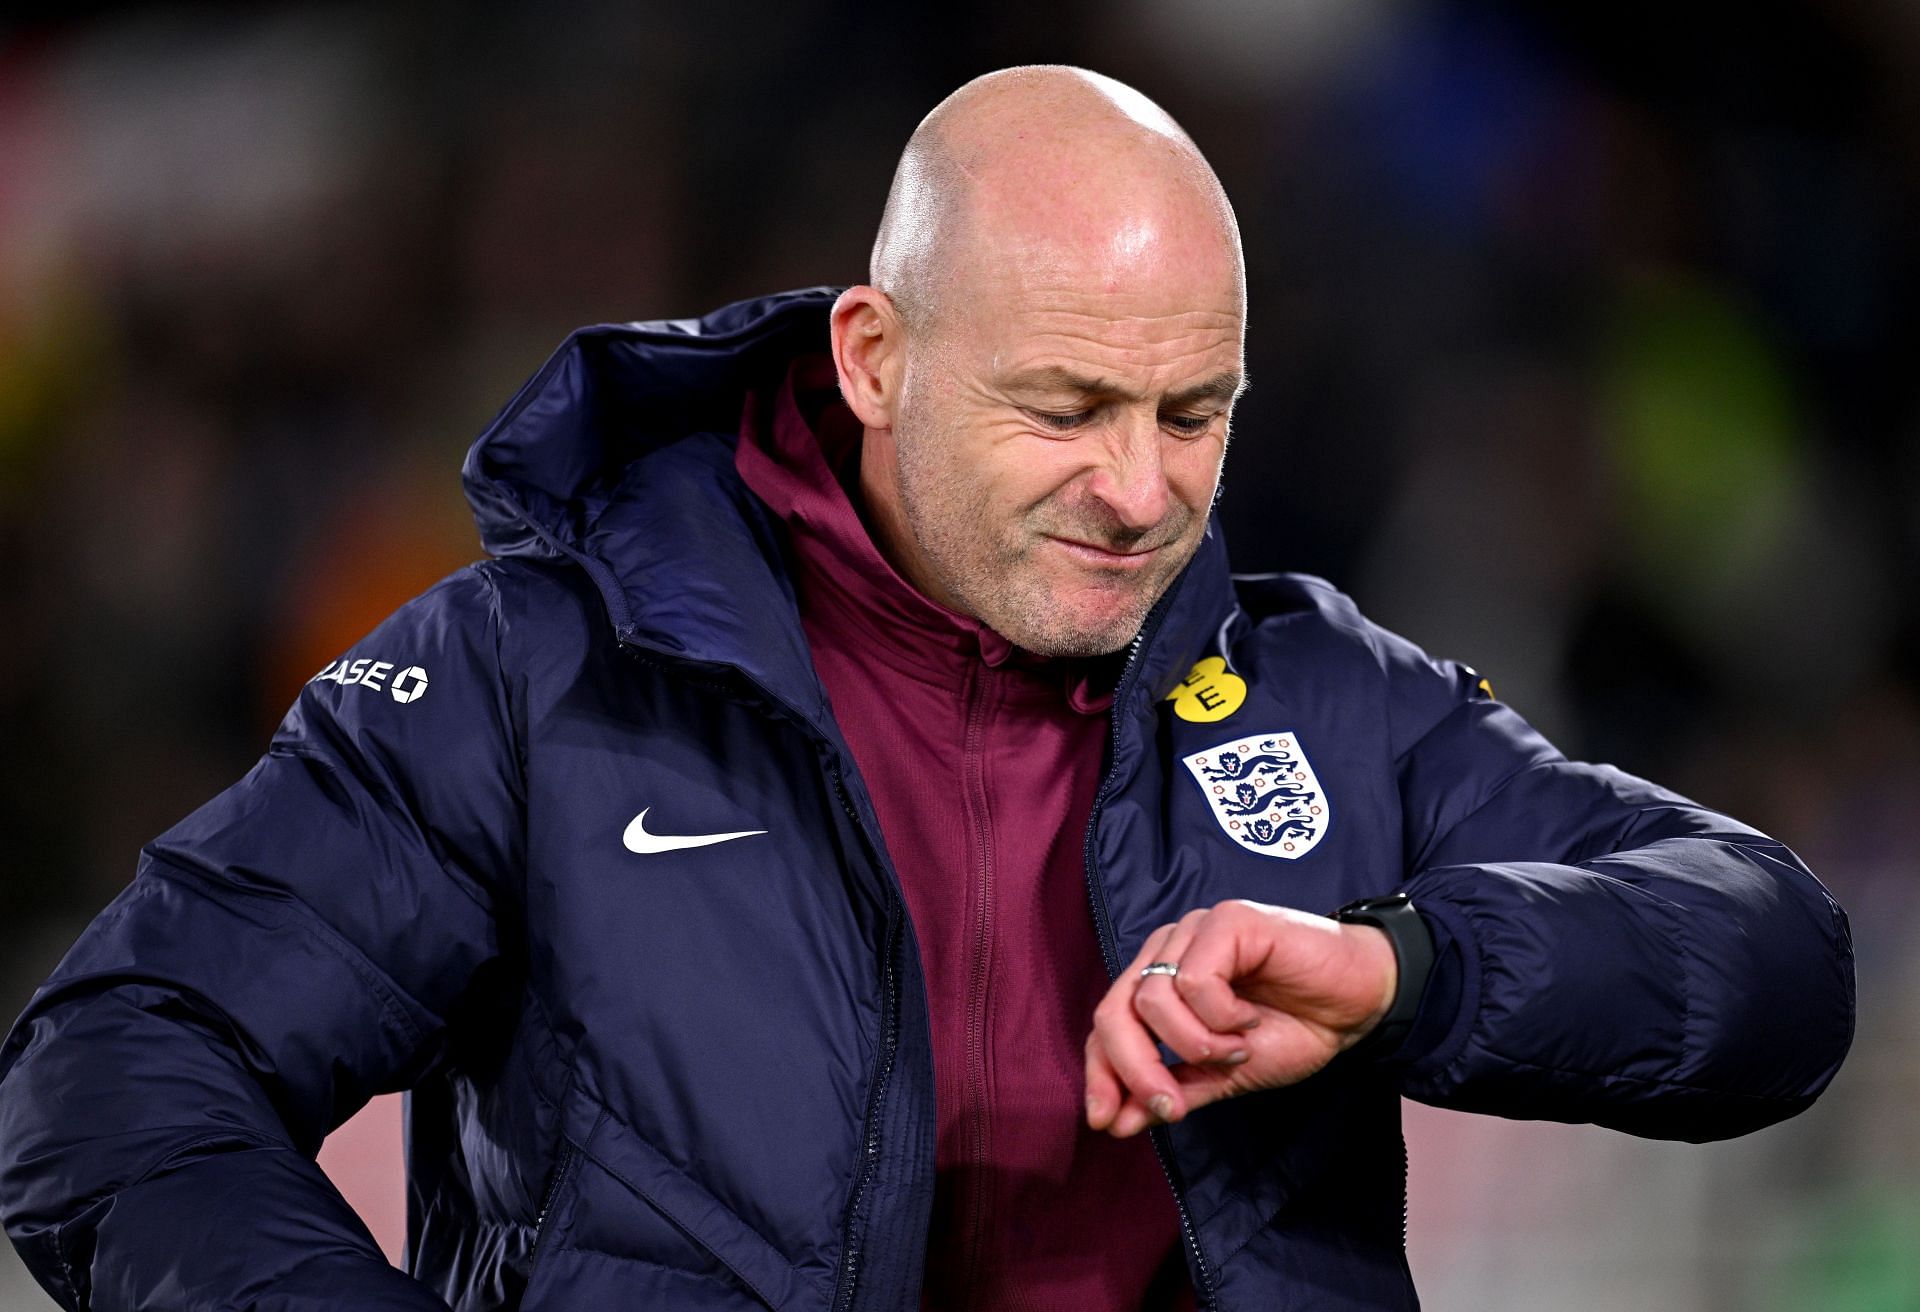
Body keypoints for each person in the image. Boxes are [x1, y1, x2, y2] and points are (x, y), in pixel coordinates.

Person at [0, 66, 1853, 1312]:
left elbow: (1773, 958)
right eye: (1063, 409)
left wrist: (1409, 972)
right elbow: (114, 1069)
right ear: (876, 356)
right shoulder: (531, 679)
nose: (1140, 489)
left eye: (1191, 413)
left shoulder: (1314, 693)